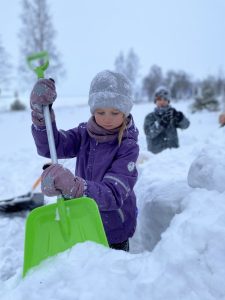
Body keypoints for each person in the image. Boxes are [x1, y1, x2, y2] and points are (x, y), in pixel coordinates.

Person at [30, 70, 139, 252]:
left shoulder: (127, 146)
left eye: (115, 112)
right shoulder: (84, 133)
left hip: (114, 228)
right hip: (84, 220)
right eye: (100, 111)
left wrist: (75, 187)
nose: (107, 119)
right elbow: (52, 146)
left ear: (126, 112)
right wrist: (41, 117)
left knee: (116, 277)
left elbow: (113, 194)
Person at [144, 86, 190, 154]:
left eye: (165, 99)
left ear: (168, 101)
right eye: (159, 99)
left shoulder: (172, 115)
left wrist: (180, 118)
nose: (162, 102)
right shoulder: (150, 117)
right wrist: (161, 124)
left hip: (173, 155)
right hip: (155, 156)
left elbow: (186, 125)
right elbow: (149, 133)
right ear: (155, 101)